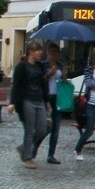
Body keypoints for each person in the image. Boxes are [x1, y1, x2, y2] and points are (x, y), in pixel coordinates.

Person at [6, 41, 51, 169]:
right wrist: (12, 103)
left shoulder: (40, 67)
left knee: (43, 129)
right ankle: (27, 157)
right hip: (27, 101)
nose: (40, 53)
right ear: (31, 51)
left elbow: (44, 84)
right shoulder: (22, 66)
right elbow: (16, 85)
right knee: (29, 129)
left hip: (39, 100)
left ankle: (23, 147)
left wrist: (46, 100)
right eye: (38, 51)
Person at [41, 42, 64, 164]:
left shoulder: (60, 65)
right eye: (52, 53)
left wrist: (64, 75)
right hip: (47, 97)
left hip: (58, 98)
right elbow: (40, 80)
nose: (54, 55)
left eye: (56, 53)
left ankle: (51, 155)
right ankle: (34, 146)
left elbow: (63, 82)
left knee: (56, 128)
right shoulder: (43, 65)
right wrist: (49, 74)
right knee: (47, 127)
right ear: (48, 53)